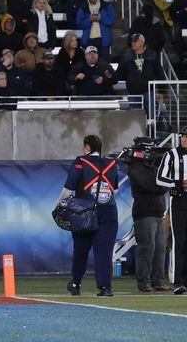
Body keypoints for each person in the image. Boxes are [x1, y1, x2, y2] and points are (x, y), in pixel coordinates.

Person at [59, 134, 119, 297]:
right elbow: (115, 189)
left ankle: (75, 283)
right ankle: (105, 287)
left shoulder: (81, 162)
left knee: (81, 250)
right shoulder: (111, 163)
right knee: (104, 251)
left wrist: (59, 205)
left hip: (84, 212)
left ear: (86, 147)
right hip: (108, 212)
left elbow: (68, 188)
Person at [127, 140, 168, 292]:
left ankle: (157, 281)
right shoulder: (135, 168)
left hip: (158, 212)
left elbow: (161, 185)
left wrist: (162, 184)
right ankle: (143, 282)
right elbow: (153, 185)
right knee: (147, 248)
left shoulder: (149, 167)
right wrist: (163, 185)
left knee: (160, 249)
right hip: (145, 213)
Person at [156, 127, 187, 294]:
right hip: (179, 201)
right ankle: (178, 280)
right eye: (183, 137)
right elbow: (159, 178)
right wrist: (178, 183)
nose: (184, 139)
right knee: (178, 240)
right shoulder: (170, 155)